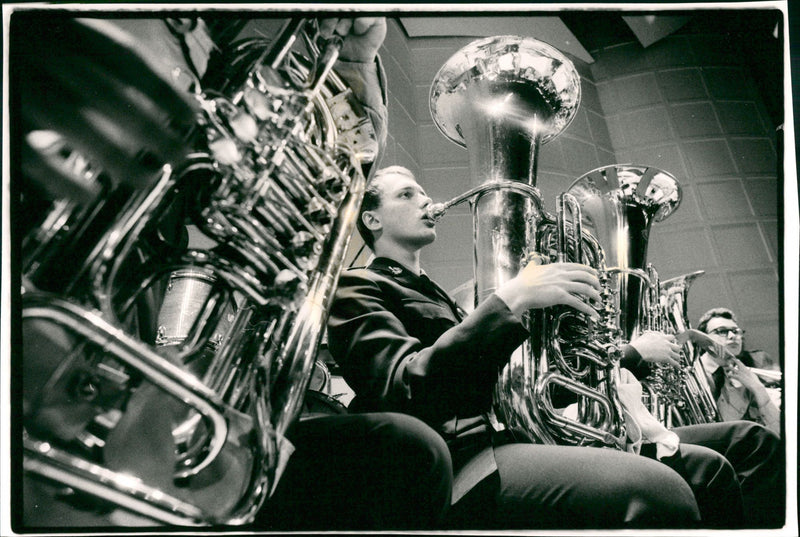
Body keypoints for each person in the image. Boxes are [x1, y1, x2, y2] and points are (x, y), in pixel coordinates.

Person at [17, 14, 453, 531]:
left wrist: (353, 68)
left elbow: (326, 165)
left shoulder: (236, 32)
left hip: (141, 314)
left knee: (401, 454)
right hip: (51, 263)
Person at [326, 165, 763, 529]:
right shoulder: (356, 286)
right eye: (407, 194)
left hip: (510, 436)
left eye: (423, 191)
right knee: (661, 492)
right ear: (372, 219)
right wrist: (512, 299)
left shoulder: (439, 296)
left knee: (714, 471)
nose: (426, 200)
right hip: (459, 461)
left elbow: (520, 389)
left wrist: (591, 344)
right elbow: (404, 385)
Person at [620, 328, 784, 527]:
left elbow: (781, 435)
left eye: (737, 330)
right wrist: (695, 336)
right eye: (721, 331)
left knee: (758, 441)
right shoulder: (698, 369)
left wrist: (756, 387)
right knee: (751, 440)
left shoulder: (750, 380)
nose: (732, 336)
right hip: (641, 430)